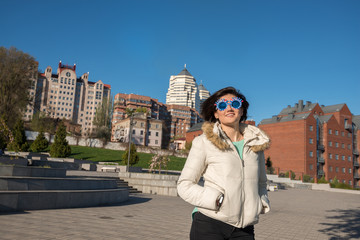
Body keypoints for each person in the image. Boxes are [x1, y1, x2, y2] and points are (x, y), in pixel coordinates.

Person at [177, 86, 271, 240]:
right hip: (210, 223)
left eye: (234, 104)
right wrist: (215, 200)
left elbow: (261, 182)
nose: (229, 108)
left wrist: (260, 203)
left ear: (241, 110)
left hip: (244, 228)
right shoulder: (204, 142)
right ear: (216, 113)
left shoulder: (256, 145)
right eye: (222, 105)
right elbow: (184, 184)